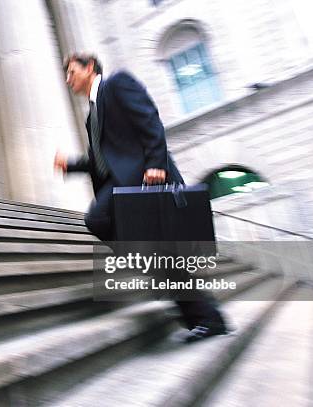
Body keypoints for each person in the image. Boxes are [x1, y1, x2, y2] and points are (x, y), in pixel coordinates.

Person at [54, 52, 227, 342]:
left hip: (144, 182)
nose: (68, 80)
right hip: (125, 189)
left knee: (98, 220)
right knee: (166, 260)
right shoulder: (91, 115)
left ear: (90, 68)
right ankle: (207, 319)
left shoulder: (117, 84)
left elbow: (149, 119)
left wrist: (156, 164)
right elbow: (101, 161)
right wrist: (70, 164)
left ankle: (199, 312)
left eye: (72, 72)